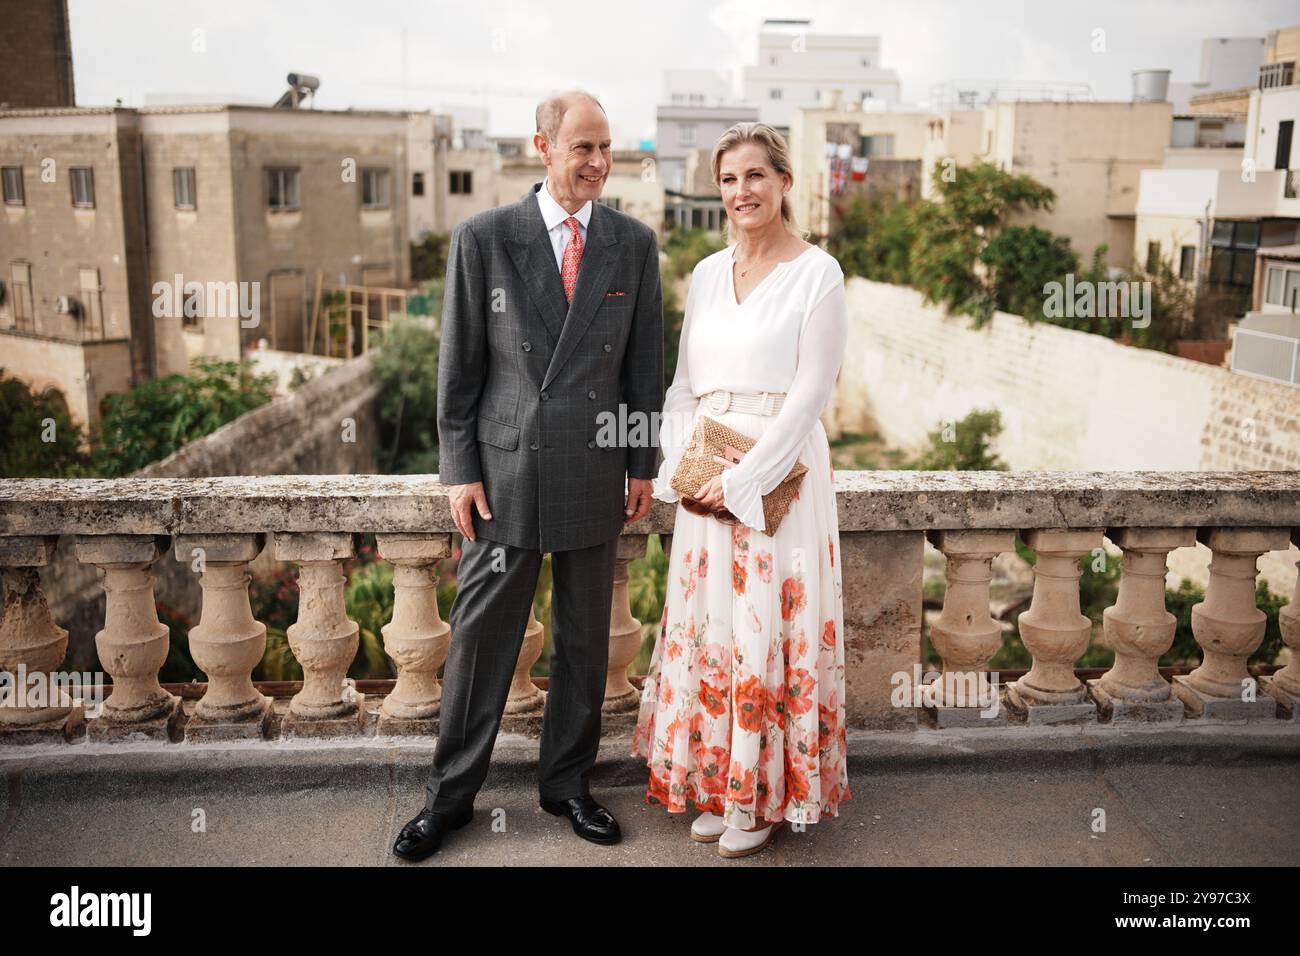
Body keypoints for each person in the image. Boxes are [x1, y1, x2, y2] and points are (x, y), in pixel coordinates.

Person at [392, 90, 664, 861]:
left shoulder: (633, 244)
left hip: (595, 471)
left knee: (583, 641)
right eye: (584, 147)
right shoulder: (484, 238)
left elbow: (645, 366)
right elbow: (461, 366)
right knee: (480, 641)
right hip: (506, 474)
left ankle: (567, 786)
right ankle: (448, 799)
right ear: (542, 146)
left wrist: (642, 460)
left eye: (607, 148)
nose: (600, 163)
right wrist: (458, 470)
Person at [632, 121, 850, 859]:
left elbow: (811, 392)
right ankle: (724, 783)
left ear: (785, 182)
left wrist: (744, 480)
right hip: (707, 477)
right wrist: (682, 473)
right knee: (714, 630)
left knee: (766, 629)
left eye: (756, 175)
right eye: (728, 179)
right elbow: (686, 386)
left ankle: (759, 800)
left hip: (778, 476)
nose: (741, 191)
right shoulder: (702, 273)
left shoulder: (819, 273)